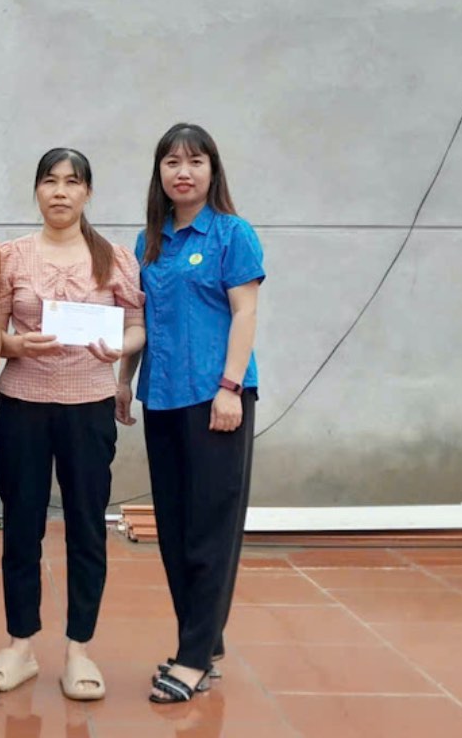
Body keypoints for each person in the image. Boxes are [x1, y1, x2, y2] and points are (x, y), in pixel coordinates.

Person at [0, 148, 146, 702]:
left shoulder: (114, 257)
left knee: (86, 525)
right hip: (22, 405)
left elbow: (138, 322)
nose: (60, 192)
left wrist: (119, 349)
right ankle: (20, 643)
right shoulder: (11, 256)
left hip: (90, 407)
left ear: (87, 193)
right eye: (49, 181)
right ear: (36, 191)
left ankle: (79, 648)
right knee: (21, 526)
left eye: (72, 183)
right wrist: (13, 344)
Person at [116, 123, 264, 704]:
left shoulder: (232, 234)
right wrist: (124, 382)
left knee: (211, 527)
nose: (183, 172)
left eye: (195, 161)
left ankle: (195, 657)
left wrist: (229, 387)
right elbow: (140, 321)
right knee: (176, 529)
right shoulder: (148, 243)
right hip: (164, 396)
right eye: (172, 162)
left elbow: (245, 314)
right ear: (159, 174)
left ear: (212, 170)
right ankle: (205, 643)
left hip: (216, 399)